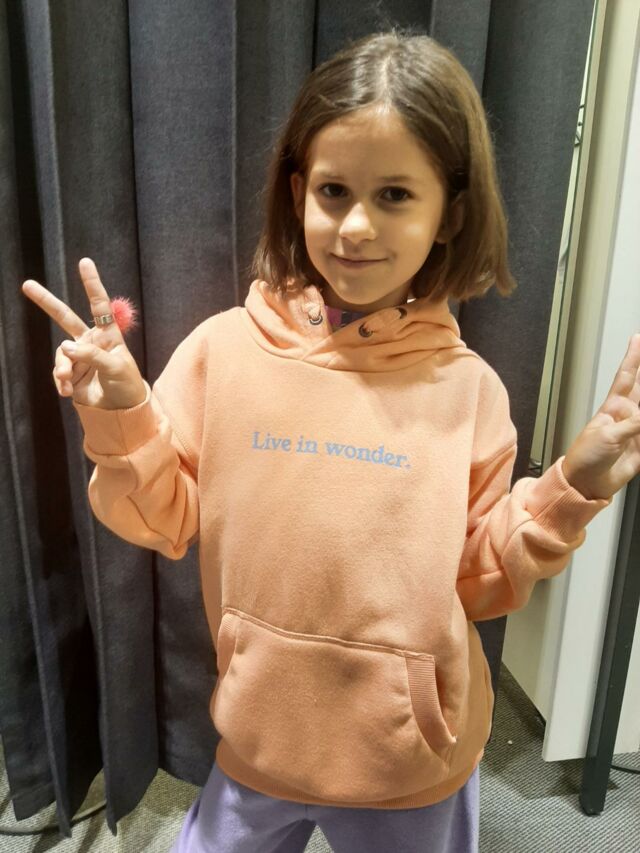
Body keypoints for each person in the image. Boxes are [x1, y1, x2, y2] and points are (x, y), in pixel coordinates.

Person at [21, 27, 640, 853]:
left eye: (395, 195)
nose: (355, 226)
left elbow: (478, 577)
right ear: (297, 191)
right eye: (334, 190)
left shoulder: (469, 393)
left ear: (450, 215)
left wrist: (574, 486)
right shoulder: (222, 353)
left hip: (409, 766)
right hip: (258, 741)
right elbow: (159, 516)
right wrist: (122, 415)